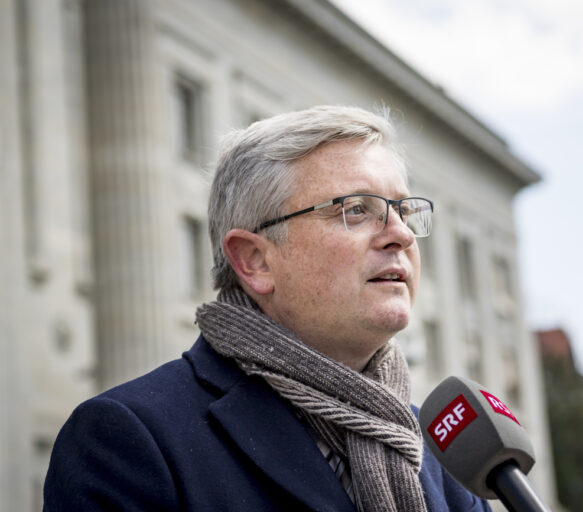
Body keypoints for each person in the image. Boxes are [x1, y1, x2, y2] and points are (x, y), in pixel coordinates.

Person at [43, 105, 490, 511]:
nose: (402, 235)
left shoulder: (447, 449)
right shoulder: (129, 439)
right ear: (255, 260)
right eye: (356, 210)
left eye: (404, 212)